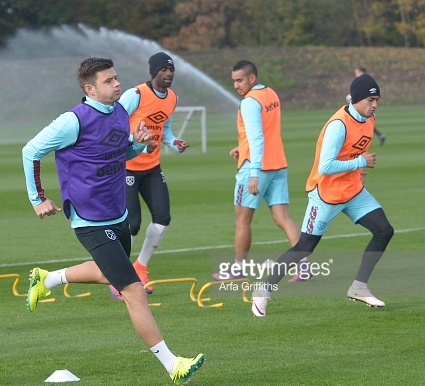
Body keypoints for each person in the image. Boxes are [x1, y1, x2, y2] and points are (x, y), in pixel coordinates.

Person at [21, 57, 204, 386]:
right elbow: (30, 150)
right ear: (90, 89)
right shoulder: (72, 121)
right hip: (88, 218)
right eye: (109, 81)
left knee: (109, 272)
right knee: (133, 290)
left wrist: (138, 144)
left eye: (117, 78)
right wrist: (38, 199)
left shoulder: (121, 113)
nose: (118, 84)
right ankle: (173, 364)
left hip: (117, 212)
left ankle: (46, 280)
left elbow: (121, 156)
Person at [252, 73, 394, 317]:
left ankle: (359, 287)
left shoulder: (369, 119)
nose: (375, 105)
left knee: (384, 231)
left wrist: (359, 171)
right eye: (371, 100)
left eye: (377, 100)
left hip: (353, 191)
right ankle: (263, 291)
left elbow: (357, 147)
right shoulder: (338, 125)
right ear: (358, 99)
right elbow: (325, 167)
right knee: (304, 247)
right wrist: (361, 161)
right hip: (326, 195)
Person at [212, 60, 309, 283]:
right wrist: (242, 147)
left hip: (256, 168)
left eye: (239, 80)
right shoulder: (271, 94)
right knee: (283, 218)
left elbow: (257, 137)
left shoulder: (249, 102)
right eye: (233, 81)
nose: (236, 85)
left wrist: (254, 172)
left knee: (242, 220)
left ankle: (238, 269)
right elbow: (265, 130)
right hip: (278, 164)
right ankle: (303, 266)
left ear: (252, 78)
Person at [113, 52, 189, 299]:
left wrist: (174, 141)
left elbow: (163, 127)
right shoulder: (135, 95)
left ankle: (140, 267)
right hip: (128, 168)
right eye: (164, 71)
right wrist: (139, 144)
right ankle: (119, 278)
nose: (168, 75)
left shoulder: (172, 98)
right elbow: (114, 125)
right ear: (154, 72)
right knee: (132, 224)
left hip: (152, 168)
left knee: (163, 218)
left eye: (171, 71)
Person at [346, 67, 386, 145]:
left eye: (356, 72)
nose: (375, 105)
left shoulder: (365, 83)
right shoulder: (339, 123)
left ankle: (380, 135)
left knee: (364, 124)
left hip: (364, 112)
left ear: (361, 71)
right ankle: (380, 135)